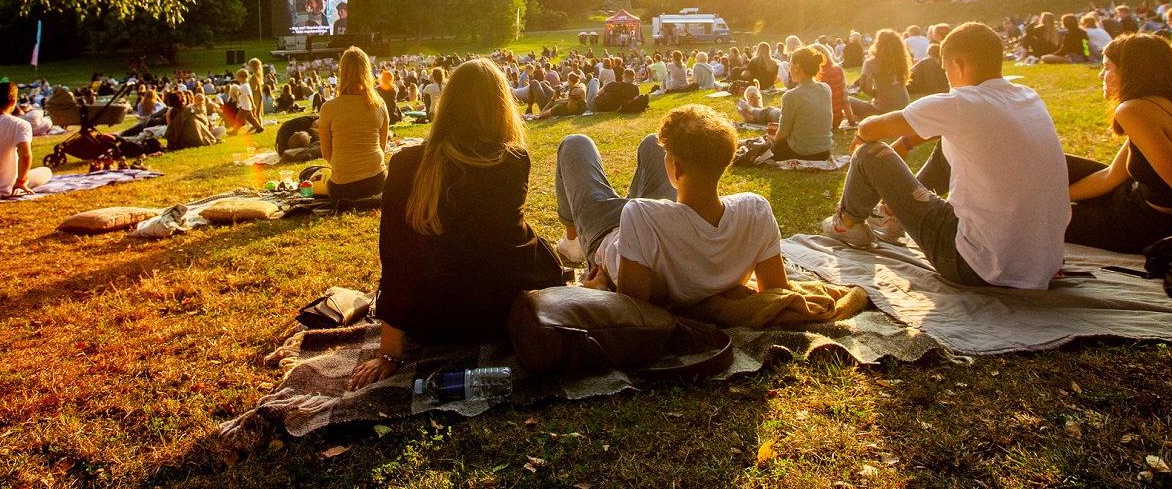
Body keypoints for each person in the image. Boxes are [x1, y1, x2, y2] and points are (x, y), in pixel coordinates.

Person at [349, 59, 565, 389]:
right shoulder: (513, 159)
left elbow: (398, 260)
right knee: (543, 248)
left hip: (434, 323)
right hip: (503, 315)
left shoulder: (407, 164)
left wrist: (390, 353)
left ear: (446, 104)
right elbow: (504, 242)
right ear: (501, 107)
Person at [822, 22, 1071, 290]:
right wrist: (907, 141)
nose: (947, 78)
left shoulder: (960, 103)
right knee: (948, 145)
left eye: (946, 70)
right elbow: (955, 125)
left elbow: (869, 128)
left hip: (976, 265)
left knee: (869, 154)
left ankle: (847, 223)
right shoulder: (1027, 96)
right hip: (1044, 262)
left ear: (958, 64)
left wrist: (862, 137)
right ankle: (891, 213)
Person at [552, 104, 786, 307]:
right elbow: (775, 293)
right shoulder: (757, 210)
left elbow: (633, 311)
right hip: (658, 221)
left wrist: (601, 292)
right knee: (651, 143)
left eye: (669, 157)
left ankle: (573, 242)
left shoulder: (639, 215)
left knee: (575, 143)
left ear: (677, 169)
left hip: (607, 233)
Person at [1065, 34, 1172, 253]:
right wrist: (1057, 197)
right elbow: (1112, 175)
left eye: (1107, 67)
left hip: (1145, 224)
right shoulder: (1170, 104)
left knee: (1037, 220)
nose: (1101, 75)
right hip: (1132, 197)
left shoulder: (1133, 110)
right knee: (1048, 162)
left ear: (1129, 72)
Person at [317, 47, 389, 200]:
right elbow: (382, 148)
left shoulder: (328, 108)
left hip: (343, 187)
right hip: (377, 182)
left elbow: (326, 153)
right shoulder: (380, 105)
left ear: (342, 73)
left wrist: (347, 168)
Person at [766, 47, 834, 161]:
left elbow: (783, 134)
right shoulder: (826, 89)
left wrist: (773, 138)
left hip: (799, 152)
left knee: (768, 144)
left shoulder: (791, 96)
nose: (789, 68)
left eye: (790, 64)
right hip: (824, 151)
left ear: (797, 67)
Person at [848, 29, 910, 120]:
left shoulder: (870, 63)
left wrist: (876, 95)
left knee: (847, 99)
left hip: (882, 111)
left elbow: (864, 86)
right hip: (903, 108)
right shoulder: (901, 61)